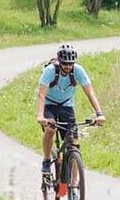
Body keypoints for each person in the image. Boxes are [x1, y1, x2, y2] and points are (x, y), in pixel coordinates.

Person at [36, 44, 105, 178]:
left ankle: (74, 187)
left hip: (66, 105)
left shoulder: (78, 71)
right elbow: (41, 95)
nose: (68, 66)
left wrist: (99, 114)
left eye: (70, 64)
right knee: (51, 129)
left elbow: (90, 93)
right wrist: (40, 116)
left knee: (73, 144)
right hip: (49, 104)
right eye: (64, 64)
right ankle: (46, 160)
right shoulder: (50, 71)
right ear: (59, 62)